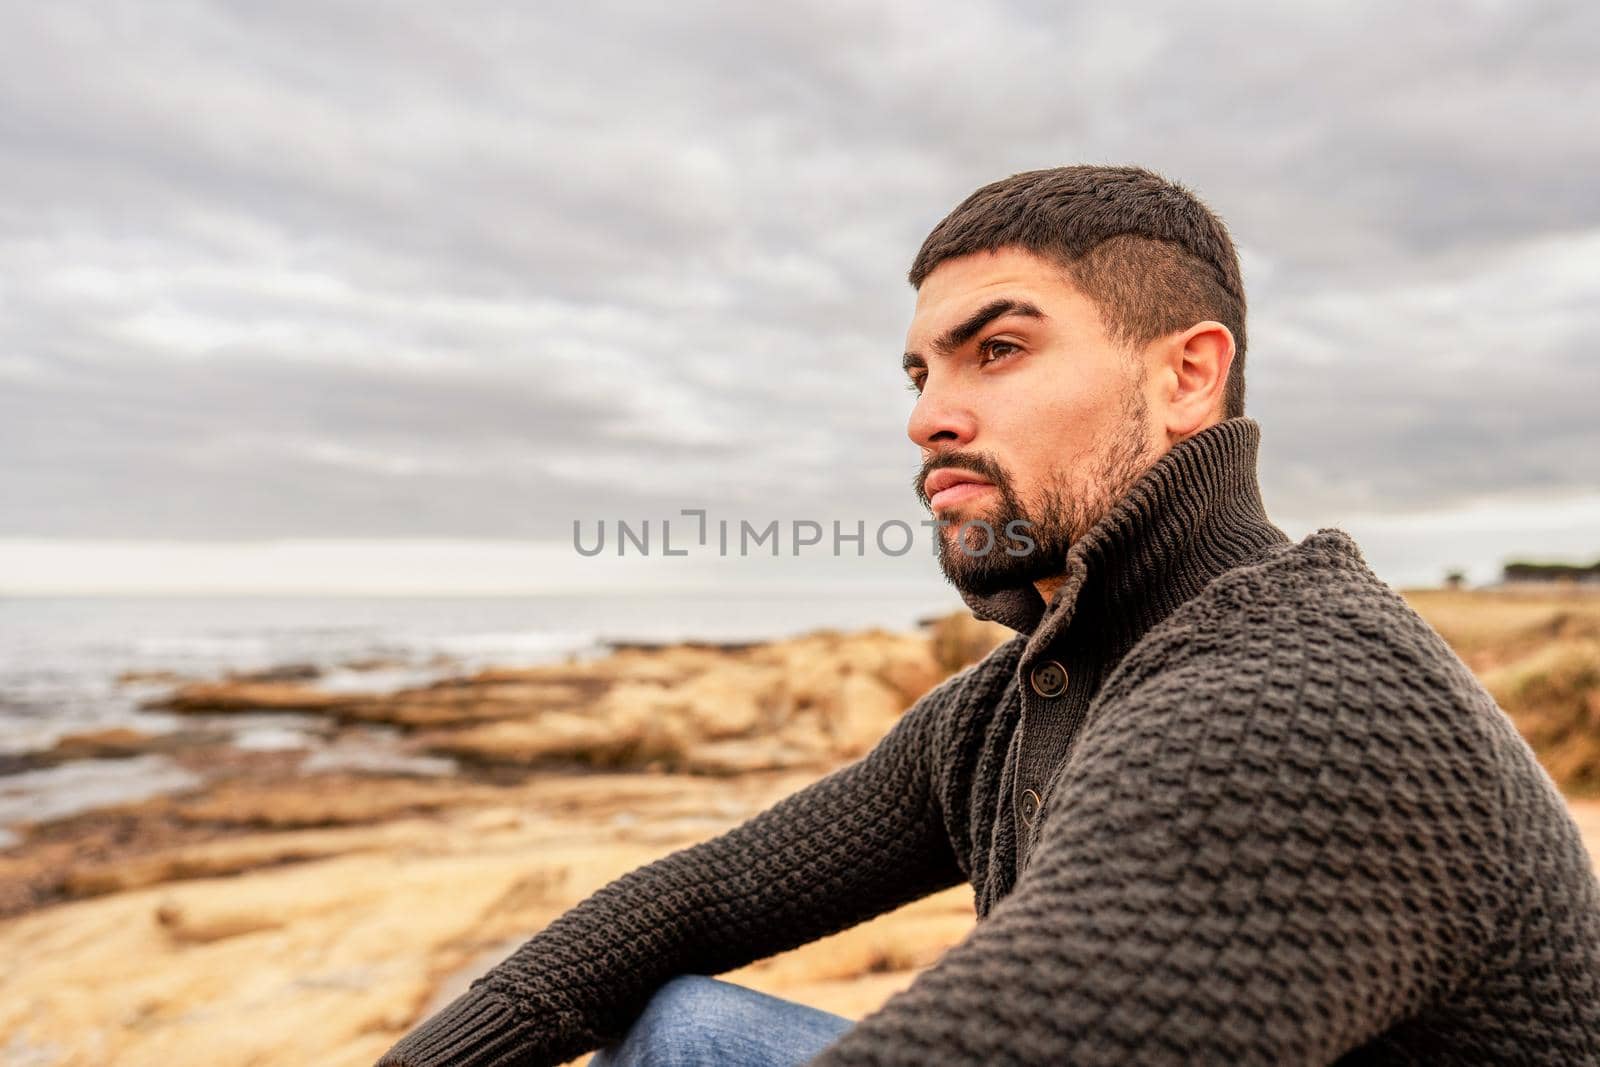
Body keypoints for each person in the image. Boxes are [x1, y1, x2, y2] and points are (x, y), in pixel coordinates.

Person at [376, 166, 1600, 1067]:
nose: (928, 416)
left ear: (1186, 374)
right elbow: (695, 895)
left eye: (996, 349)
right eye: (921, 373)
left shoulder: (1306, 698)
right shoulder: (1027, 696)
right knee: (680, 1018)